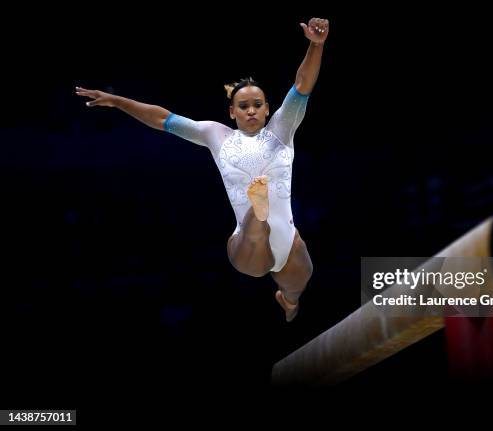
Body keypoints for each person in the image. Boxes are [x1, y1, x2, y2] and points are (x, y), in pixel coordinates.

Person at [75, 17, 329, 322]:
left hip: (288, 240)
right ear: (231, 112)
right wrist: (117, 101)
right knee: (257, 231)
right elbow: (163, 120)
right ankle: (257, 213)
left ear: (267, 109)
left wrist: (316, 45)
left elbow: (302, 85)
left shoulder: (282, 128)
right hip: (247, 246)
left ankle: (289, 302)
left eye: (257, 104)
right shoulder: (216, 135)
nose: (251, 110)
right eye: (243, 105)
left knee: (298, 283)